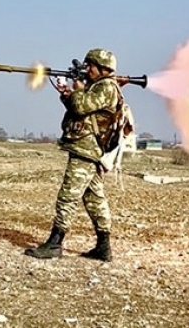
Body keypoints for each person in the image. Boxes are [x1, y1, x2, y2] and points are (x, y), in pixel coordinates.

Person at [24, 48, 123, 261]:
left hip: (86, 149)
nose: (87, 70)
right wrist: (66, 93)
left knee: (67, 196)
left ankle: (55, 243)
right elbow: (80, 108)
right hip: (88, 148)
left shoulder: (106, 87)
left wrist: (77, 90)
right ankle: (104, 247)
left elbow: (81, 106)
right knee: (94, 198)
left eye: (91, 66)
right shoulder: (98, 87)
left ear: (103, 68)